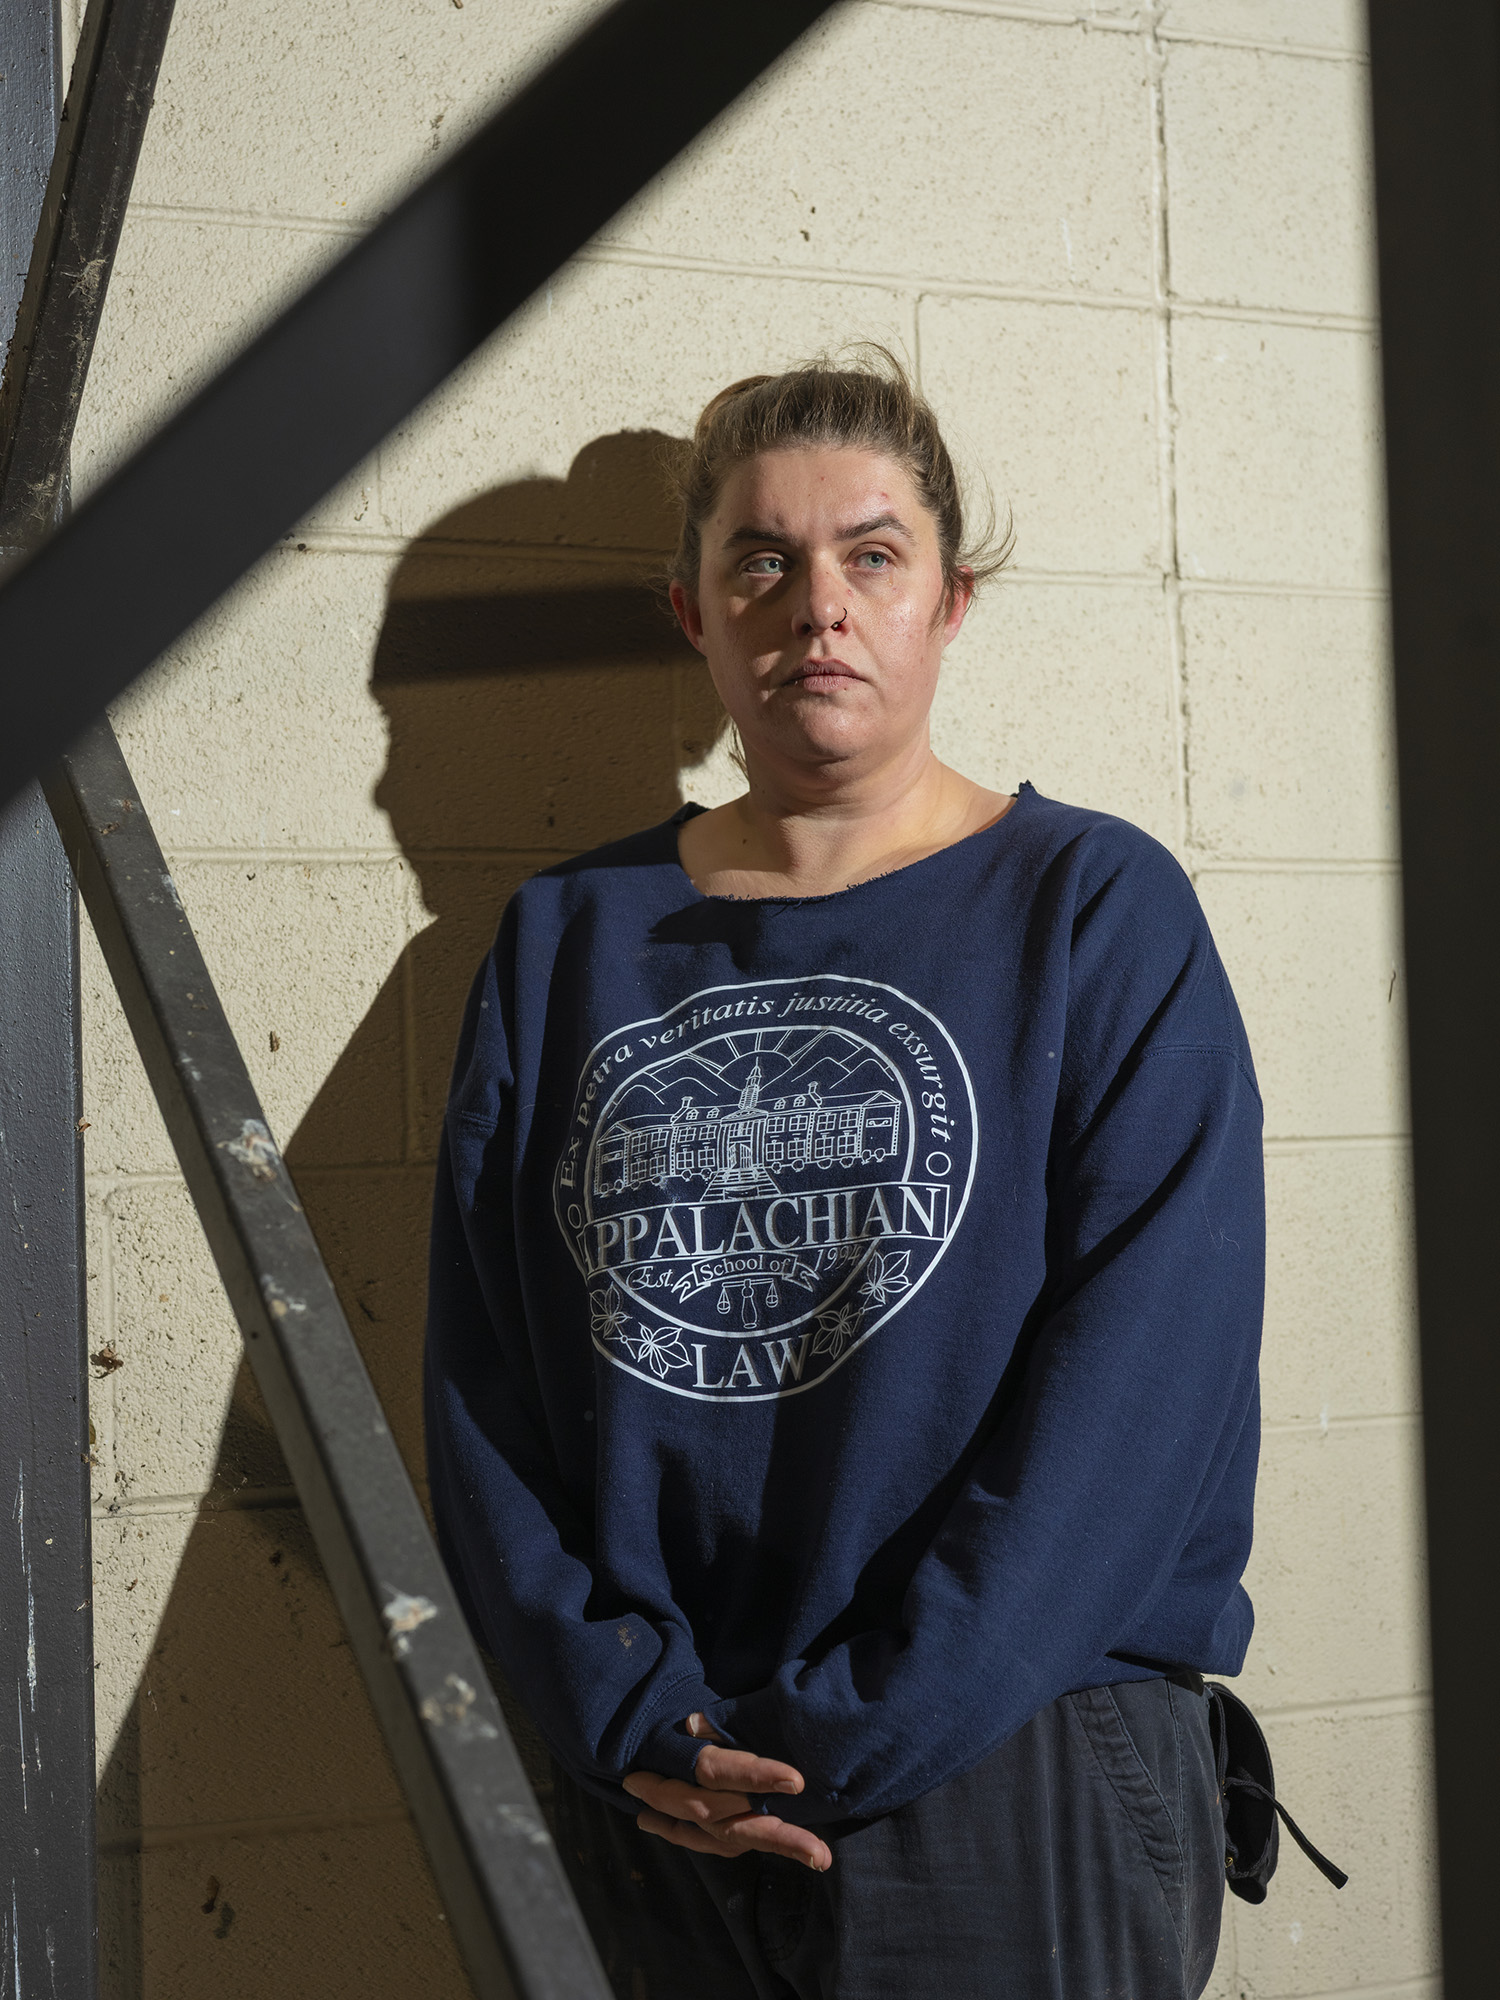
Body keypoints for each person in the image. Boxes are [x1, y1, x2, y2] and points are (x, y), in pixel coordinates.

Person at [424, 350, 1263, 2000]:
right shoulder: (565, 943)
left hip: (1011, 1752)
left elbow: (1140, 1392)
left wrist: (869, 1717)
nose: (819, 604)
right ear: (696, 618)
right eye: (764, 560)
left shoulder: (1094, 908)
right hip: (661, 1781)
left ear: (950, 600)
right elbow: (482, 1381)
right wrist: (614, 1705)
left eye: (872, 556)